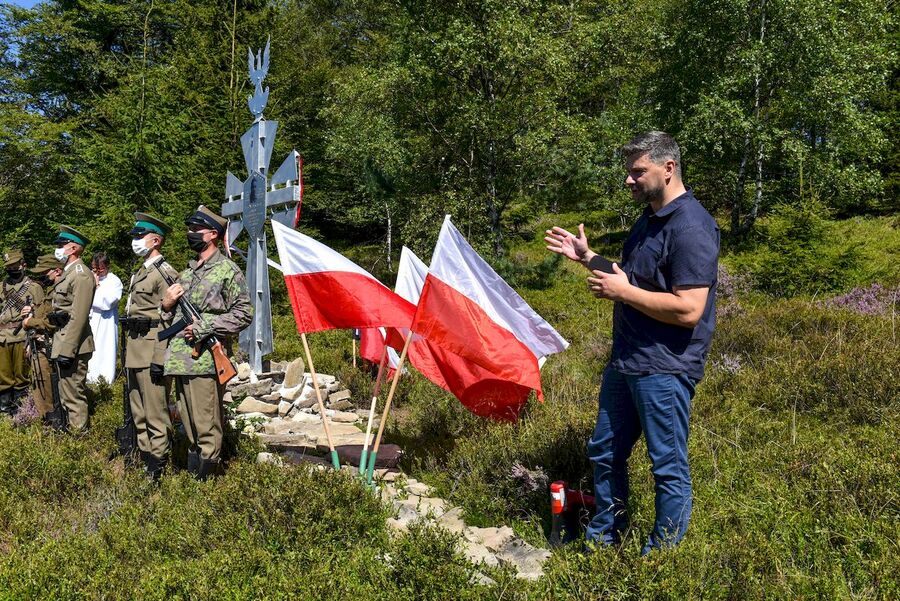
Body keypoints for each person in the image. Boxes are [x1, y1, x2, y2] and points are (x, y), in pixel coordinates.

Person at [545, 131, 719, 554]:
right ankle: (605, 540)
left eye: (638, 171)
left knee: (667, 466)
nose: (629, 180)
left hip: (665, 366)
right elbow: (633, 279)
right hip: (626, 363)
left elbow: (689, 308)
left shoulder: (692, 226)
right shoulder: (648, 221)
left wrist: (622, 294)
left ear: (668, 168)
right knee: (604, 451)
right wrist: (589, 258)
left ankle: (661, 559)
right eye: (629, 172)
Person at [160, 205, 251, 479]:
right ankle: (193, 480)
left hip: (205, 360)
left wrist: (205, 326)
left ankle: (207, 484)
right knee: (187, 423)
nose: (190, 234)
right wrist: (165, 305)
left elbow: (244, 313)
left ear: (212, 234)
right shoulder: (186, 274)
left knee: (206, 423)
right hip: (180, 360)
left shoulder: (227, 270)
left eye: (195, 230)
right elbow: (172, 317)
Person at [123, 213, 179, 480]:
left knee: (156, 412)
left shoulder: (165, 273)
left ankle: (158, 464)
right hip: (134, 349)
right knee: (138, 410)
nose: (135, 241)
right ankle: (146, 457)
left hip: (151, 350)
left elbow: (170, 319)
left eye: (139, 236)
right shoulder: (141, 271)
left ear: (155, 240)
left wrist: (161, 357)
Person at [50, 226, 97, 432]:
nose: (58, 249)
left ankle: (78, 438)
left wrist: (67, 349)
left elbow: (78, 316)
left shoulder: (81, 275)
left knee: (73, 394)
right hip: (62, 339)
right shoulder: (68, 273)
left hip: (74, 344)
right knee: (65, 391)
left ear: (74, 248)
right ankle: (70, 431)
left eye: (62, 245)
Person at [0, 249, 44, 415]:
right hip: (2, 337)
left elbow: (42, 314)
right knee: (3, 377)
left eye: (14, 265)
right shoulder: (2, 286)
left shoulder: (34, 287)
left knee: (21, 377)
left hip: (21, 336)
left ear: (23, 265)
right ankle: (4, 410)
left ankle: (22, 412)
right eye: (8, 266)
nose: (11, 269)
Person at [20, 254, 64, 420]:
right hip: (42, 344)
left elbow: (51, 322)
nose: (42, 276)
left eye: (45, 272)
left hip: (50, 345)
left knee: (47, 386)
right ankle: (46, 419)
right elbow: (44, 314)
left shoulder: (59, 292)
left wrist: (30, 322)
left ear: (57, 271)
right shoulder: (50, 291)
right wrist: (32, 310)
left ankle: (50, 421)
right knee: (40, 384)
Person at [86, 252, 123, 385]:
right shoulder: (87, 278)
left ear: (107, 266)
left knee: (104, 351)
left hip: (105, 323)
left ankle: (105, 382)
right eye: (94, 269)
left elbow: (107, 303)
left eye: (100, 269)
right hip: (89, 322)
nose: (97, 272)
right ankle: (88, 381)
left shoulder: (114, 281)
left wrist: (96, 287)